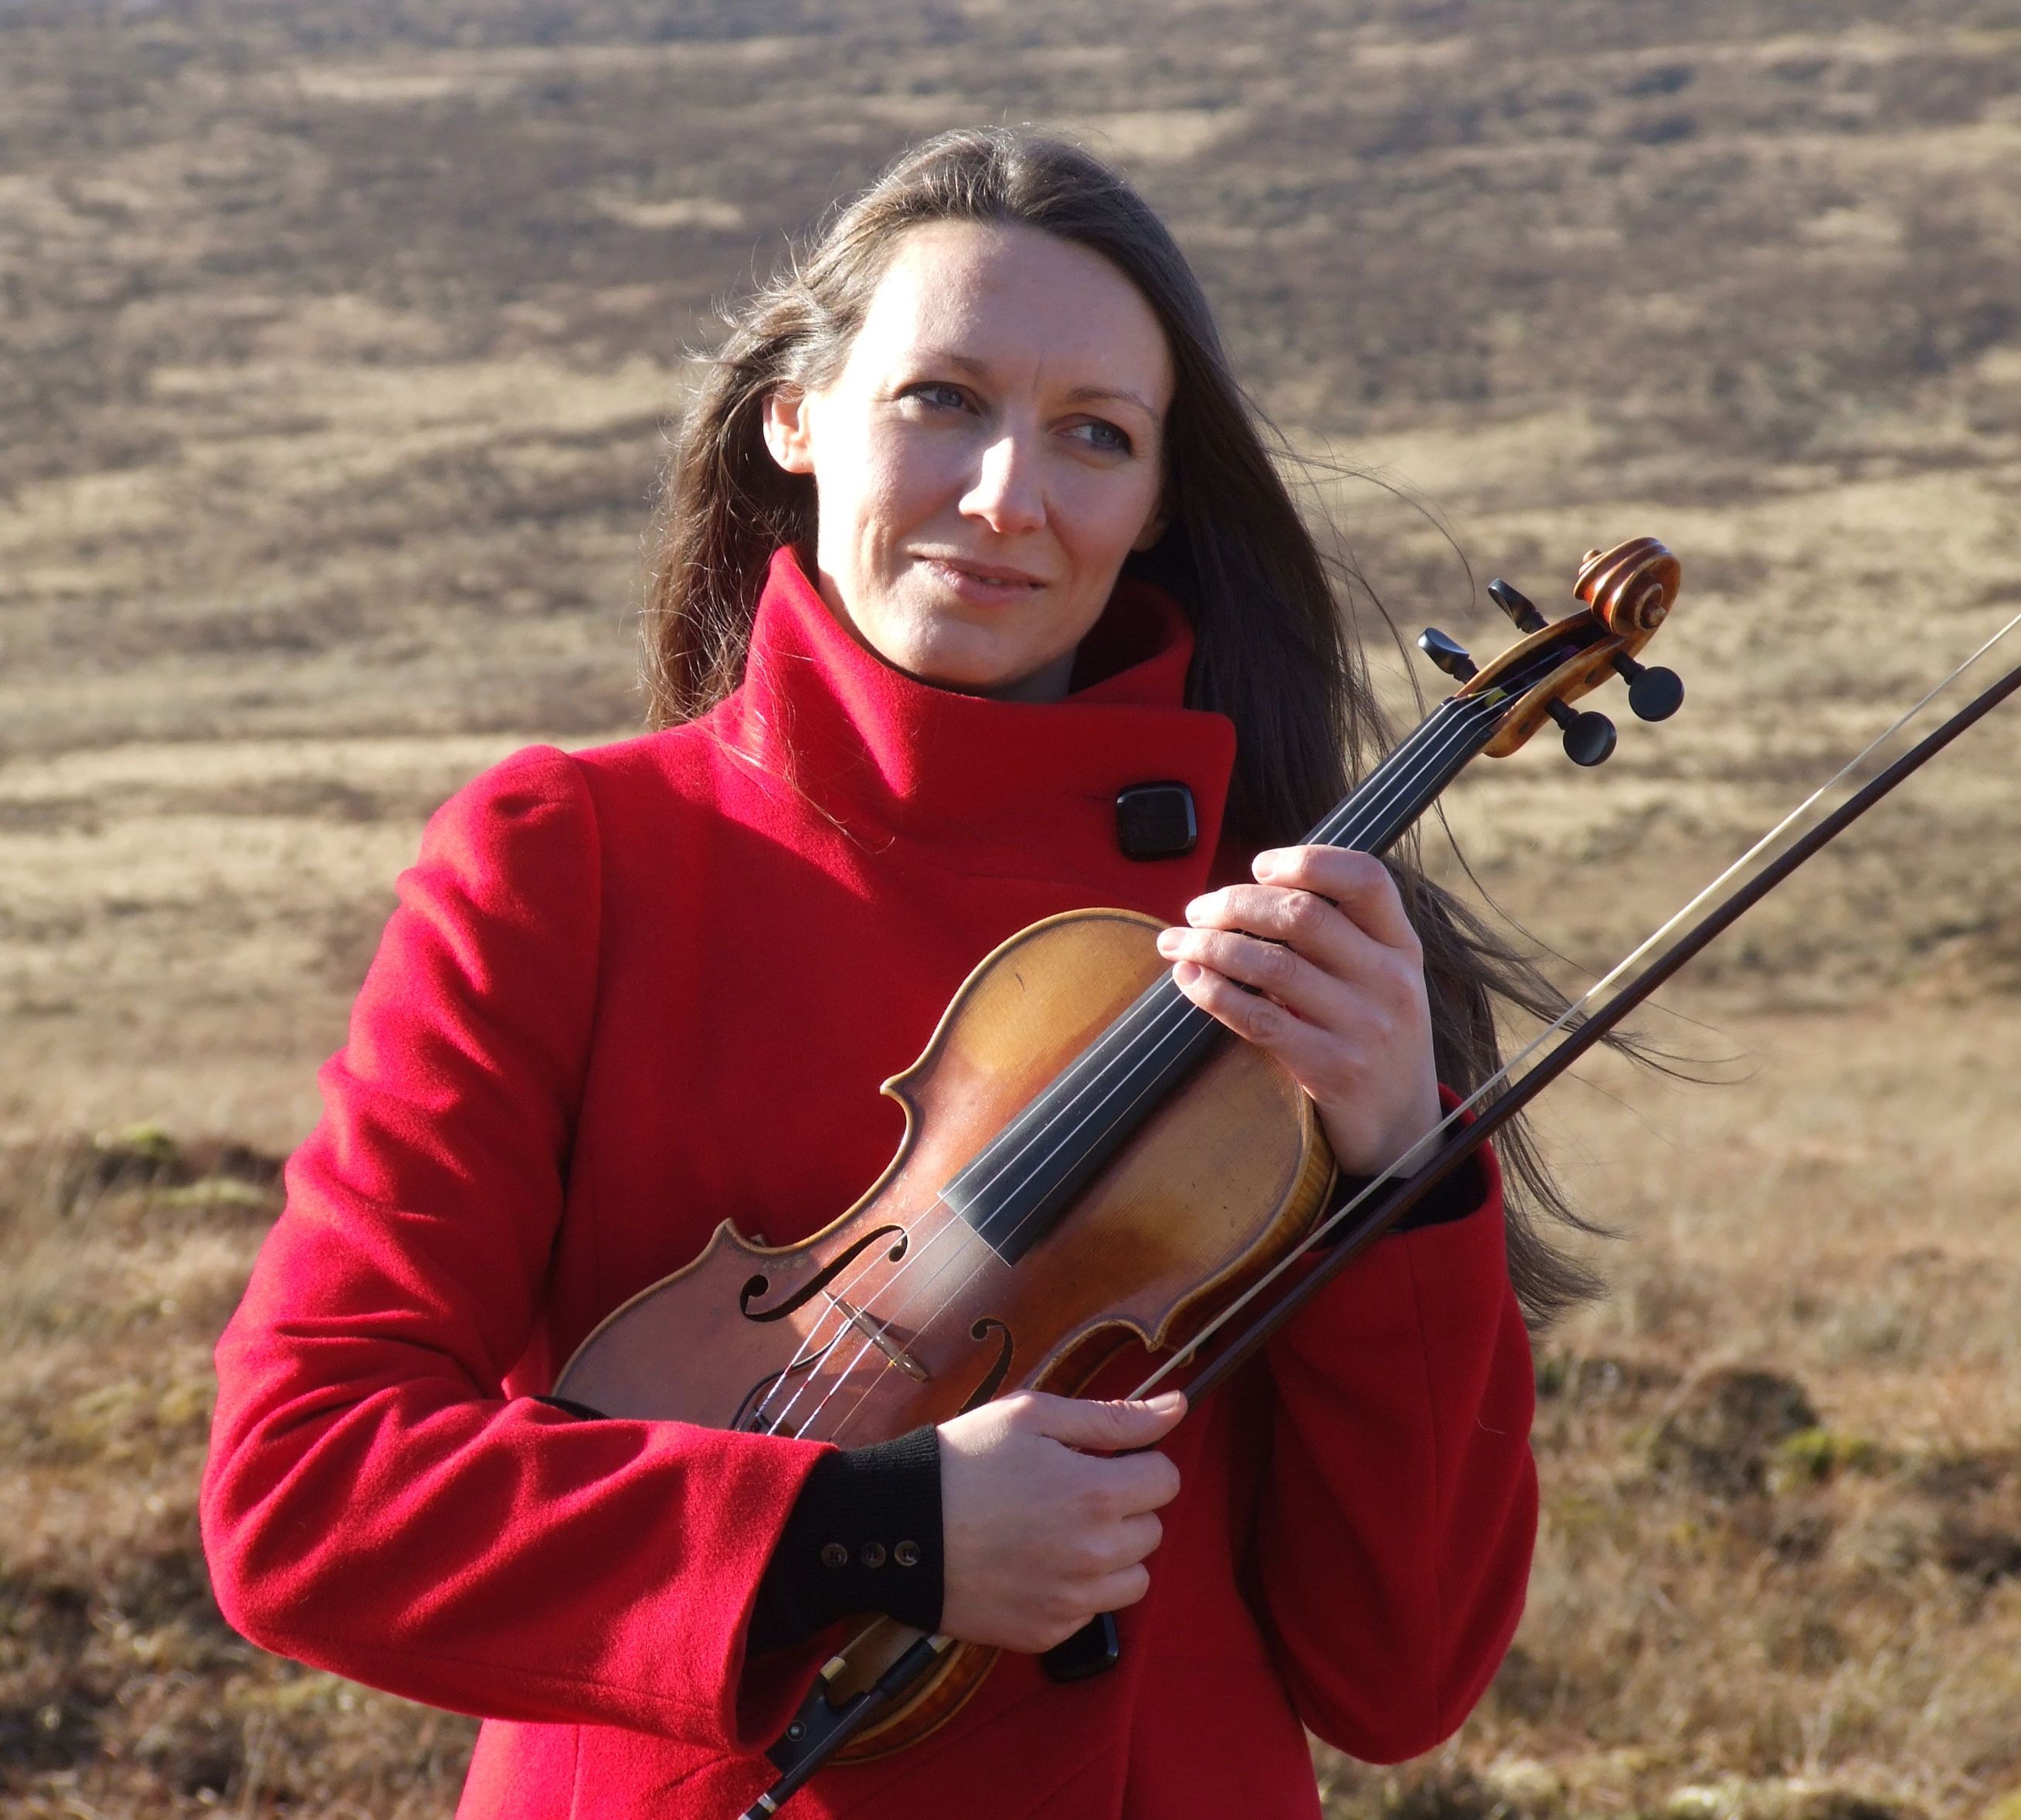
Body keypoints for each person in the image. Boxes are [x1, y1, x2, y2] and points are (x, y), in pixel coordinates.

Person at [202, 128, 1574, 1820]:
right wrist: (876, 1530)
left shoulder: (1279, 958)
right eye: (942, 399)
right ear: (798, 413)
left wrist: (1400, 1170)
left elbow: (1403, 1674)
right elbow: (305, 1491)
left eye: (1096, 436)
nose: (1009, 495)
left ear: (1155, 508)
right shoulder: (570, 858)